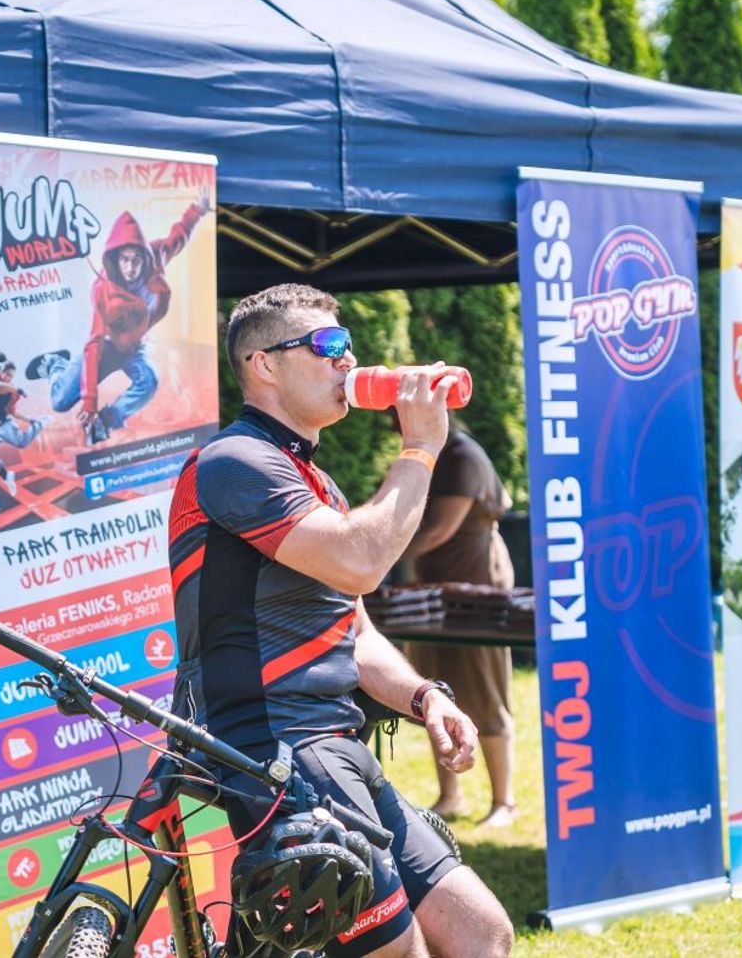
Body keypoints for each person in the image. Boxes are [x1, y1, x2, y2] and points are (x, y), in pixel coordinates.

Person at [169, 283, 513, 958]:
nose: (346, 360)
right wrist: (420, 447)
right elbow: (361, 563)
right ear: (265, 365)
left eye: (348, 344)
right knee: (400, 952)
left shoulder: (314, 481)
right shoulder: (234, 461)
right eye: (326, 345)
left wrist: (426, 697)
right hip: (273, 744)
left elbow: (353, 631)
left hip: (333, 741)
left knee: (483, 932)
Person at [398, 421, 519, 828]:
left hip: (475, 597)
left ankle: (504, 802)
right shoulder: (429, 455)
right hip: (434, 597)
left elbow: (439, 530)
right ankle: (450, 796)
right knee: (436, 692)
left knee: (485, 695)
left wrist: (383, 557)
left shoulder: (463, 456)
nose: (395, 422)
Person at [27, 195, 210, 445]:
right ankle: (56, 364)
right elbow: (94, 344)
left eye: (136, 260)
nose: (131, 267)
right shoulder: (102, 289)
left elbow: (178, 237)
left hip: (135, 348)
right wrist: (89, 400)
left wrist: (197, 210)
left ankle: (106, 421)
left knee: (149, 380)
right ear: (116, 259)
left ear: (144, 257)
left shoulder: (156, 257)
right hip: (107, 347)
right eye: (125, 260)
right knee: (59, 402)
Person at [0, 350, 43, 507]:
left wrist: (30, 420)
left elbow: (13, 412)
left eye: (12, 377)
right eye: (8, 375)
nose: (10, 378)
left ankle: (38, 425)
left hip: (5, 424)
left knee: (22, 443)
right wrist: (16, 389)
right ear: (1, 372)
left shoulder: (10, 392)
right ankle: (6, 475)